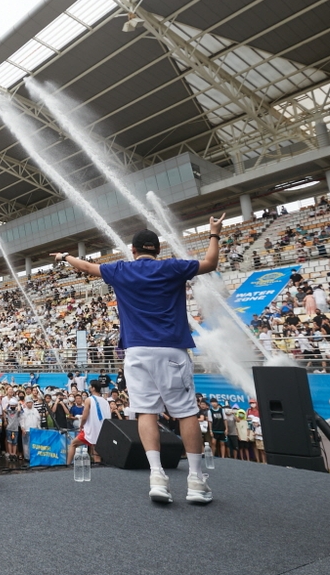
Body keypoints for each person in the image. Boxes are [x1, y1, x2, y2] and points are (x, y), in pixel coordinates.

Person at [52, 214, 225, 504]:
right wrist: (214, 234)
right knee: (186, 413)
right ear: (158, 249)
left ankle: (157, 476)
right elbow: (210, 264)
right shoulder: (173, 267)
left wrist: (64, 256)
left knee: (146, 412)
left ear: (133, 251)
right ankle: (196, 481)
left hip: (136, 351)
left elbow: (85, 266)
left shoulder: (121, 270)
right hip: (171, 348)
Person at [66, 380, 110, 465]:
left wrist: (81, 425)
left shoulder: (89, 400)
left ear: (93, 388)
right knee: (96, 451)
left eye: (90, 386)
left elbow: (85, 415)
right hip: (102, 430)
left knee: (73, 444)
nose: (89, 387)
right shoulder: (105, 401)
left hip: (91, 429)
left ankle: (67, 465)